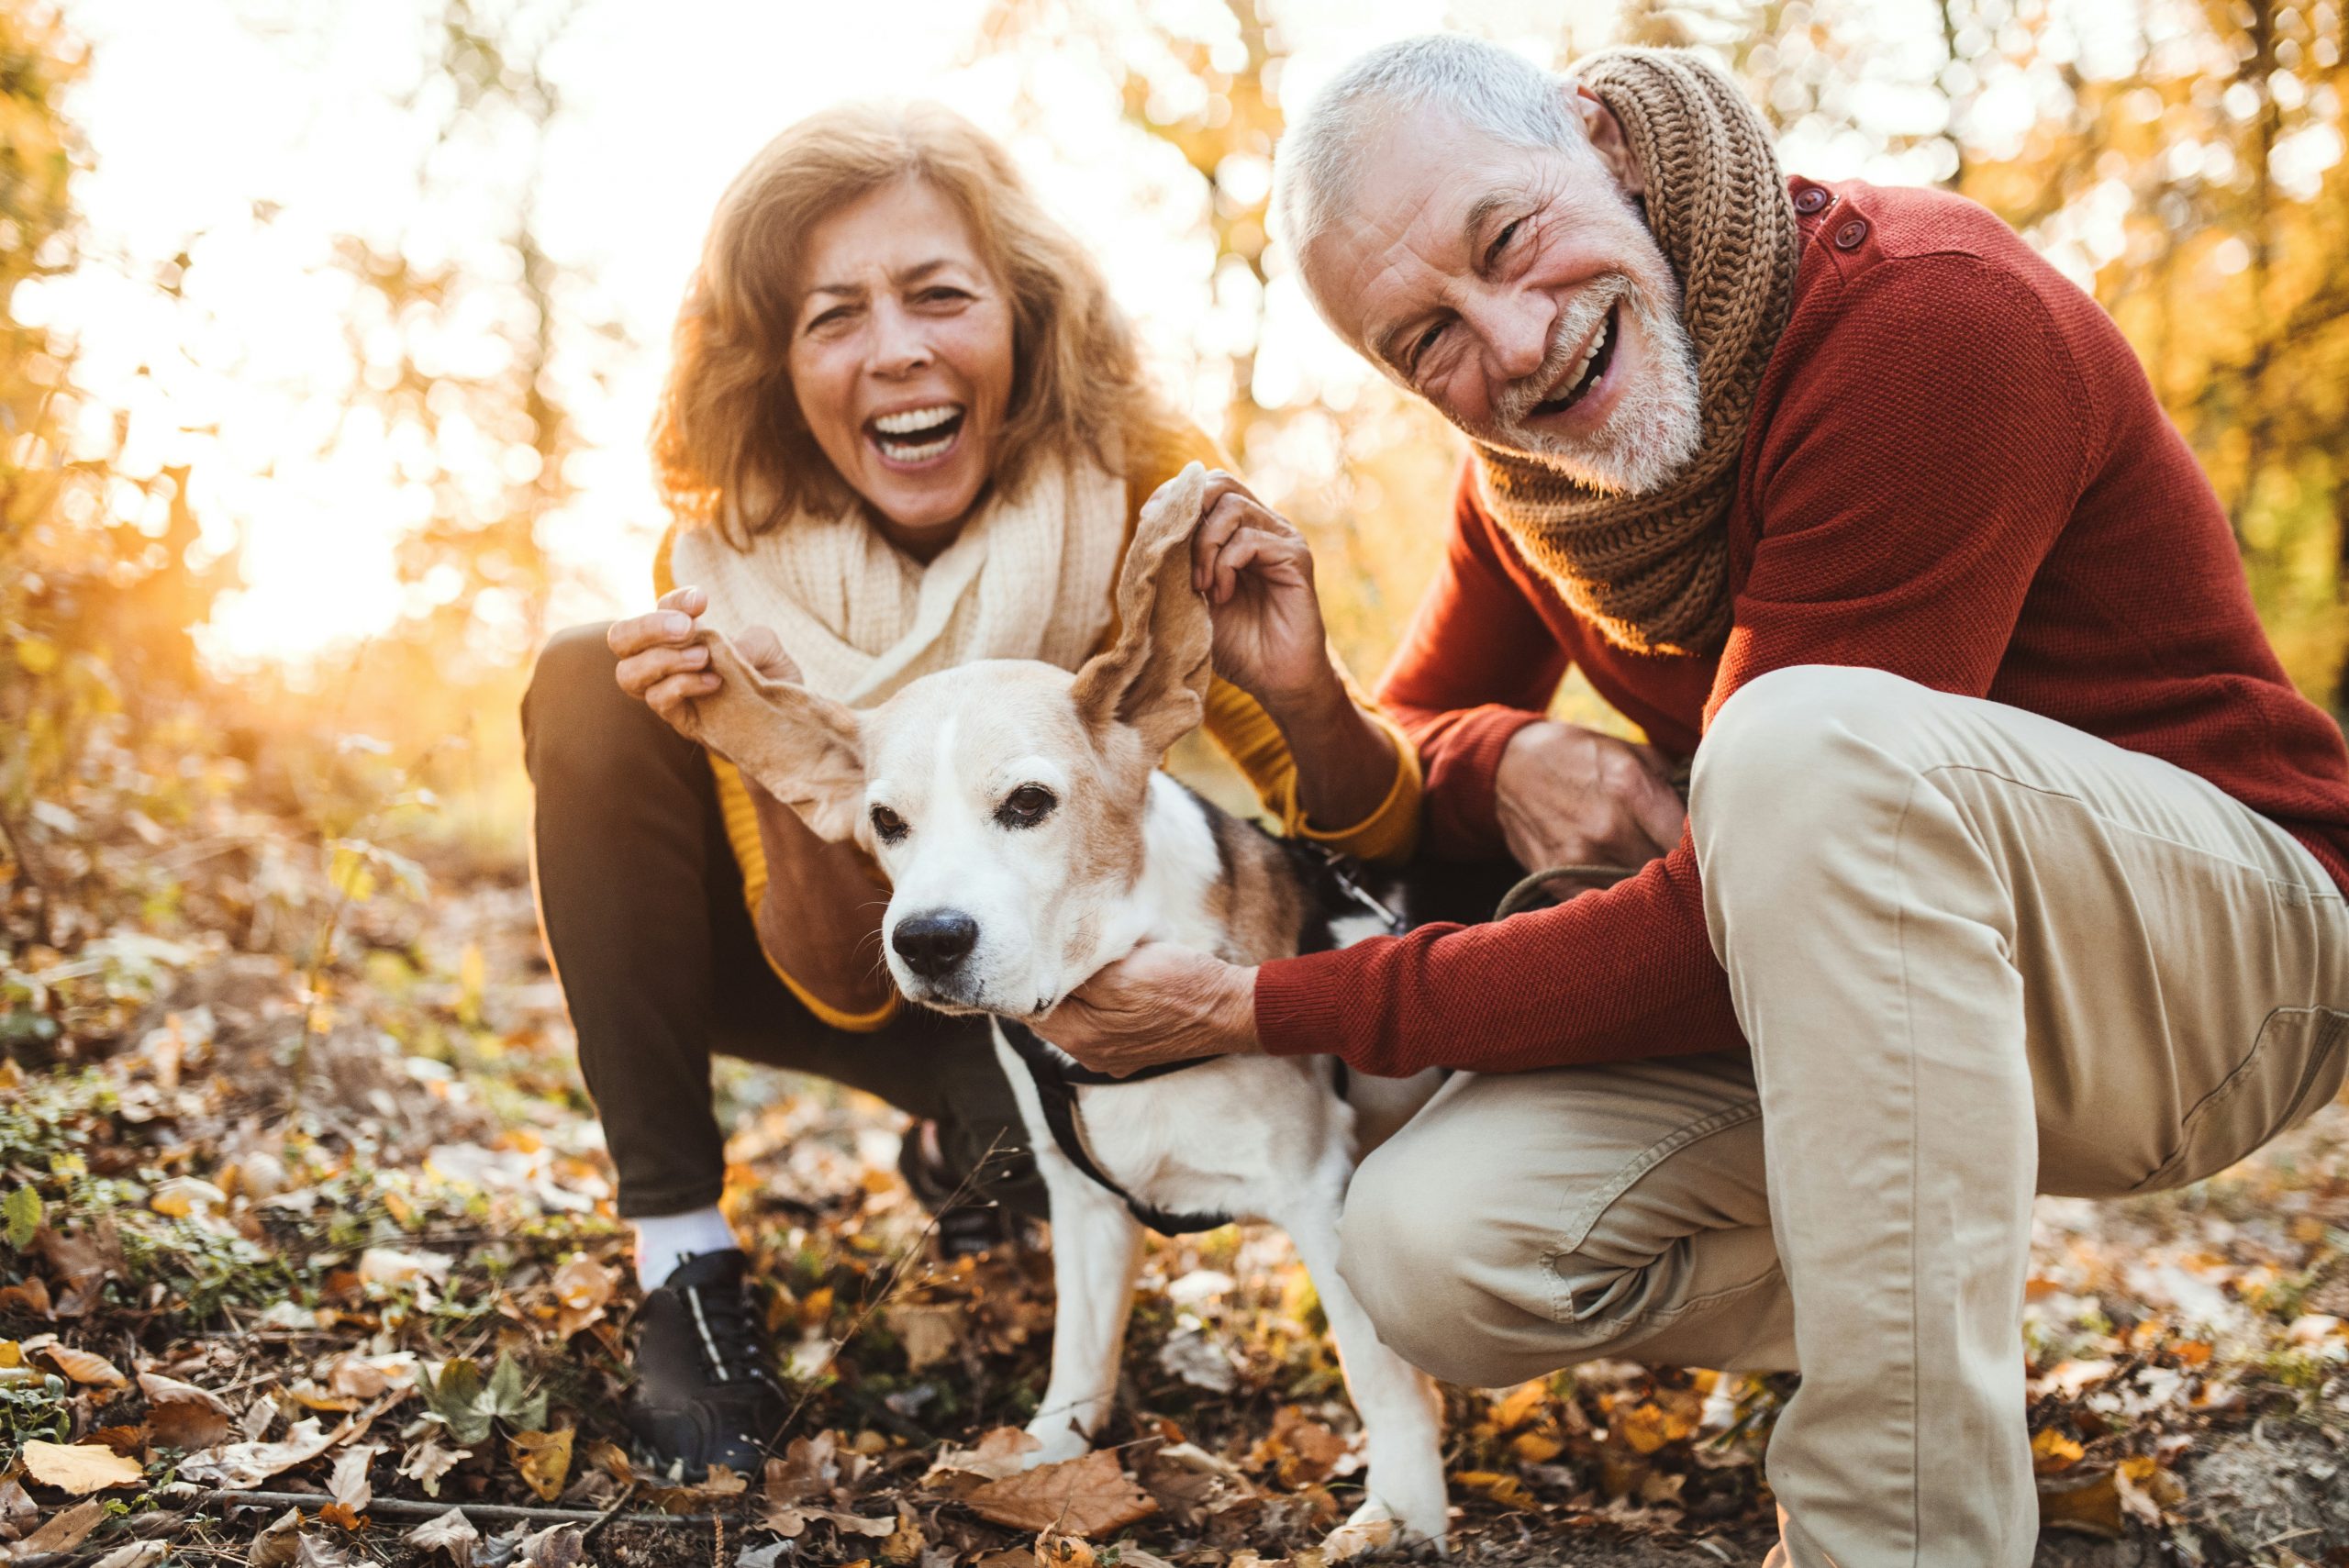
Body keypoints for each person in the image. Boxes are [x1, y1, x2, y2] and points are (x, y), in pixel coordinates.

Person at [1036, 36, 2349, 1567]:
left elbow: (1718, 912)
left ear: (1609, 143)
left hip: (2223, 970)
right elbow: (1406, 791)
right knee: (1425, 1249)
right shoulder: (1533, 487)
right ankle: (1919, 1309)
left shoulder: (1925, 323)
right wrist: (1383, 722)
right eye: (1428, 342)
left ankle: (1897, 1533)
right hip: (1903, 1019)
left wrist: (1267, 1003)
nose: (1515, 344)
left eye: (1508, 240)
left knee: (1792, 748)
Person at [520, 101, 1419, 1478]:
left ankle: (982, 1151)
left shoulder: (1138, 496)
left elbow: (1361, 832)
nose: (897, 350)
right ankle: (681, 1260)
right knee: (590, 674)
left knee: (1042, 1138)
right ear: (778, 358)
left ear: (1023, 314)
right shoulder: (726, 566)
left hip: (1072, 997)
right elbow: (837, 971)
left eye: (941, 293)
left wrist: (1306, 691)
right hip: (854, 974)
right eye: (834, 314)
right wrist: (772, 747)